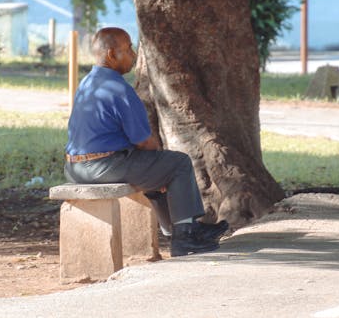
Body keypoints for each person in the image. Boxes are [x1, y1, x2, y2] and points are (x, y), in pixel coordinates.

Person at [64, 27, 228, 257]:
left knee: (158, 169)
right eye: (128, 48)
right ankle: (184, 238)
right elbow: (143, 142)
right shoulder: (119, 88)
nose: (133, 54)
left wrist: (155, 168)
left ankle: (182, 230)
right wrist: (157, 161)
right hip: (102, 167)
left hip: (74, 168)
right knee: (177, 163)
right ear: (111, 54)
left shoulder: (88, 83)